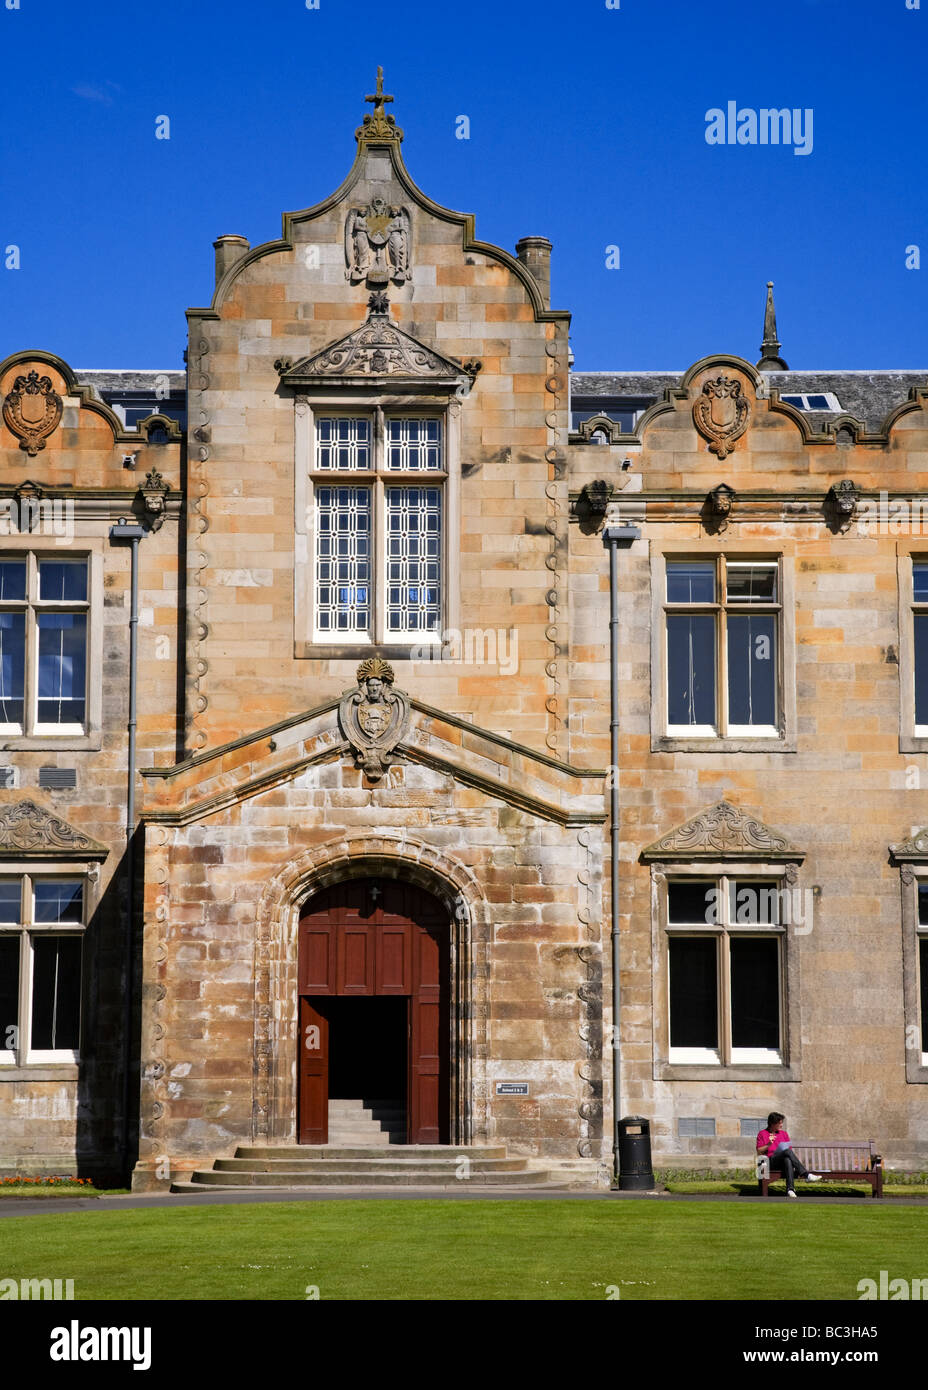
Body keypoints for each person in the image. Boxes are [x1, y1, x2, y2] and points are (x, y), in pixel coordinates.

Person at [756, 1112, 822, 1198]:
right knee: (787, 1153)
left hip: (782, 1162)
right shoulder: (762, 1133)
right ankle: (806, 1175)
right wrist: (768, 1144)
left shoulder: (783, 1134)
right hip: (770, 1162)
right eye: (779, 1123)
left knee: (787, 1159)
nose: (781, 1125)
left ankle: (790, 1189)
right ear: (772, 1123)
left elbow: (789, 1150)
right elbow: (759, 1151)